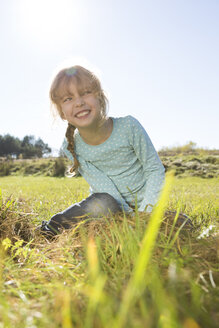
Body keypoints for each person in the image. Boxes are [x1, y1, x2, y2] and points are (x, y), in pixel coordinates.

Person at [40, 65, 165, 237]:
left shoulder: (129, 127)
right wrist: (129, 218)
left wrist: (144, 215)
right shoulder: (71, 146)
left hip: (145, 204)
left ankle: (114, 229)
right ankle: (52, 229)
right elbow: (103, 186)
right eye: (68, 98)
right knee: (104, 203)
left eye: (85, 93)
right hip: (108, 205)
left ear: (99, 97)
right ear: (61, 112)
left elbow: (154, 170)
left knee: (183, 223)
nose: (79, 102)